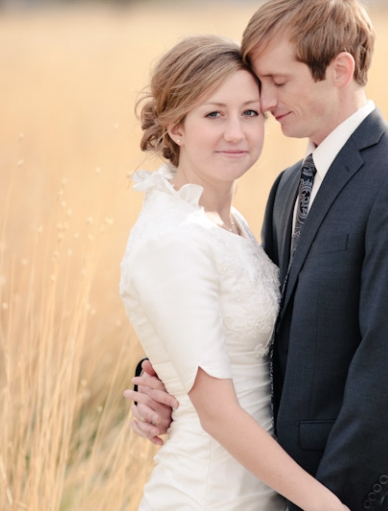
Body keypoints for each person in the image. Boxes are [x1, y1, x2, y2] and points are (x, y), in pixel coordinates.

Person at [125, 1, 388, 509]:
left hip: (378, 490)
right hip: (285, 484)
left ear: (340, 70)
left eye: (277, 82)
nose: (265, 102)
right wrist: (164, 374)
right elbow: (269, 322)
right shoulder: (289, 187)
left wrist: (328, 501)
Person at [119, 34, 348, 510]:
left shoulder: (229, 222)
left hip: (261, 487)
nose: (236, 133)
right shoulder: (174, 237)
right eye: (213, 114)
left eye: (250, 113)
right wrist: (327, 506)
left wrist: (156, 374)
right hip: (209, 494)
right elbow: (218, 414)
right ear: (176, 126)